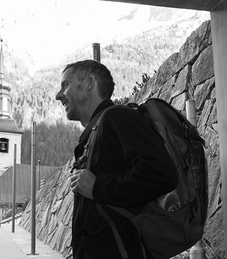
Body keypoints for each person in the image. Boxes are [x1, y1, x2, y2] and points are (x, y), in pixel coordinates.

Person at [55, 60, 178, 259]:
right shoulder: (96, 130)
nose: (58, 95)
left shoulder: (118, 118)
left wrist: (98, 188)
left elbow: (162, 173)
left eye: (65, 85)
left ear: (89, 83)